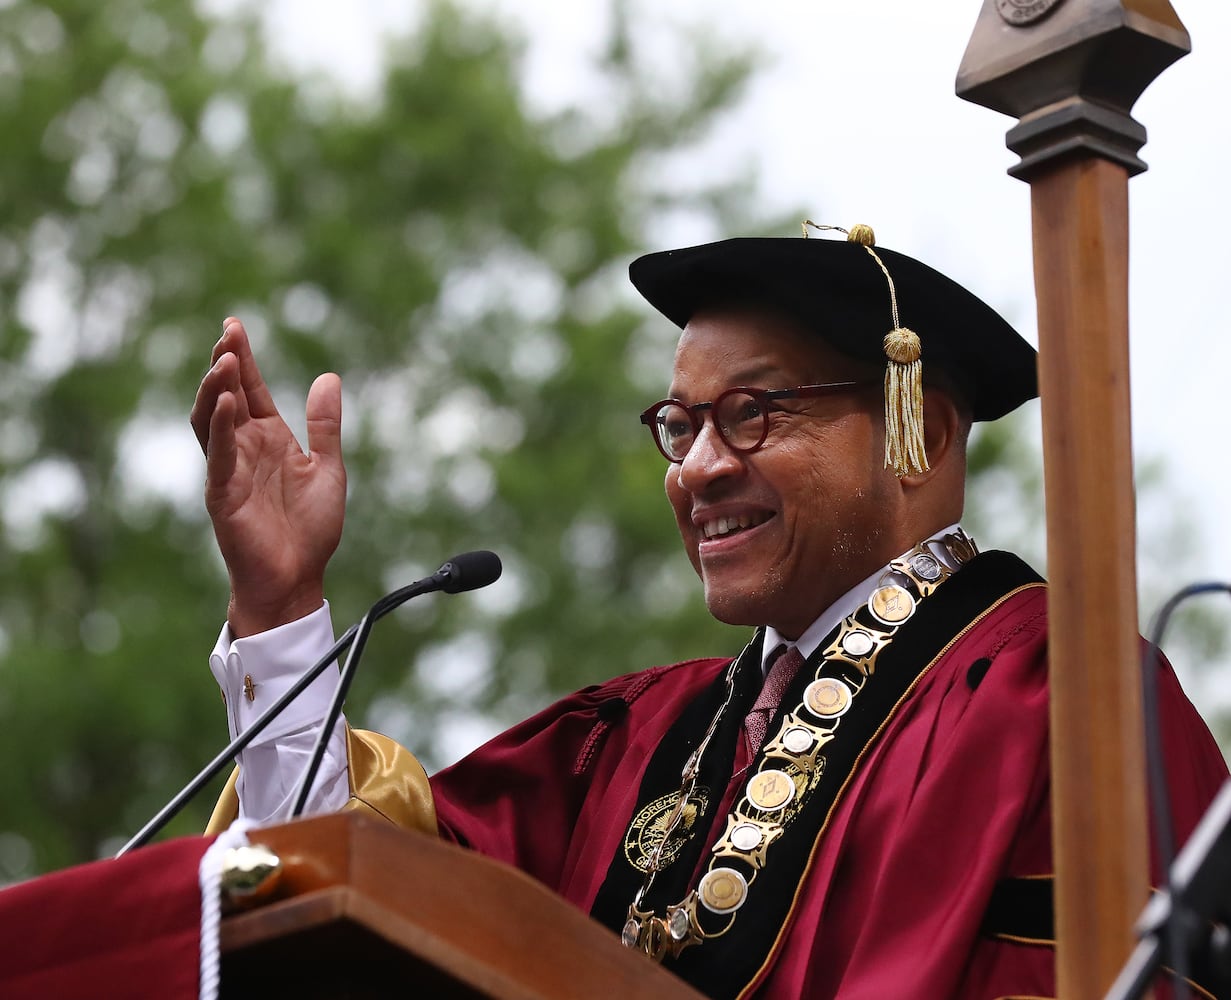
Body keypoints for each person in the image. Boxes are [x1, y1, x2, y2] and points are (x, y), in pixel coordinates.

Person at [193, 223, 1228, 999]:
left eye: (751, 413)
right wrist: (280, 605)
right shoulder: (631, 739)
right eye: (678, 425)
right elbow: (352, 903)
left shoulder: (1061, 701)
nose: (695, 469)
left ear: (922, 430)